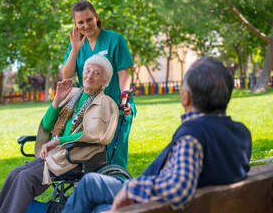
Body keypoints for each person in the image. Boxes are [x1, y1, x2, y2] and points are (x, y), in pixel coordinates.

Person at [62, 57, 252, 213]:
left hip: (153, 206)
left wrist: (130, 189)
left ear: (185, 97)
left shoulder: (192, 137)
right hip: (186, 204)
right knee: (95, 194)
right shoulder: (241, 133)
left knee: (93, 193)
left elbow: (178, 188)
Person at [0, 54, 119, 213]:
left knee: (25, 179)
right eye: (87, 70)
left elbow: (94, 134)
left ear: (104, 81)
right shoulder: (73, 94)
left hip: (76, 158)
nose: (90, 75)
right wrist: (57, 100)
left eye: (96, 73)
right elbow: (47, 124)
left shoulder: (105, 103)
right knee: (14, 174)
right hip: (55, 154)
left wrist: (57, 141)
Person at [62, 0, 136, 169]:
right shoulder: (76, 46)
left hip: (117, 106)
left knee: (114, 159)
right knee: (91, 158)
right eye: (80, 22)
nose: (86, 25)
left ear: (96, 17)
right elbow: (66, 77)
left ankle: (116, 190)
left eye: (89, 19)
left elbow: (124, 73)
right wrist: (74, 50)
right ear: (75, 24)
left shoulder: (115, 39)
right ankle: (95, 192)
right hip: (91, 109)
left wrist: (124, 100)